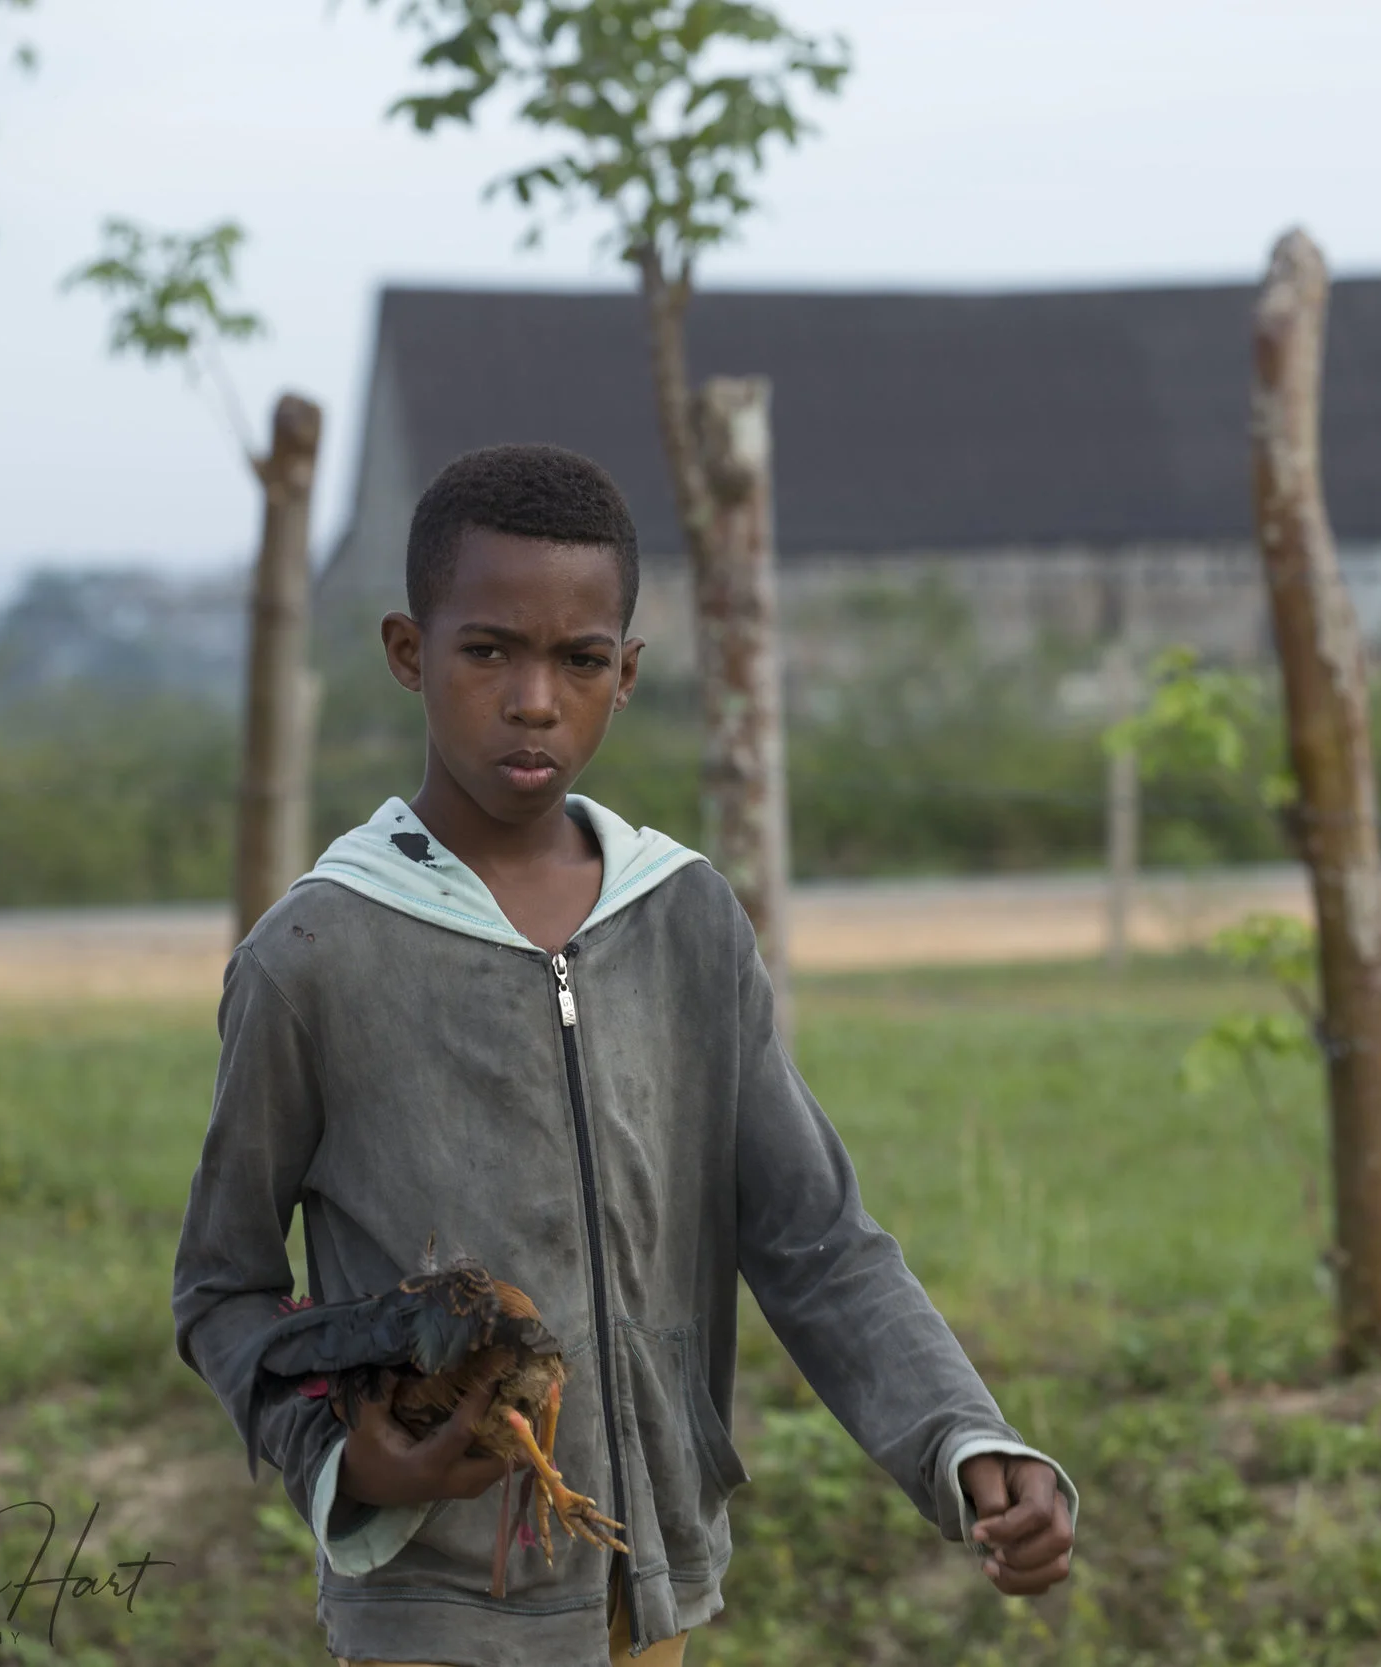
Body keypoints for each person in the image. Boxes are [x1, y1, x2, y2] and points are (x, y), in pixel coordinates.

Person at [173, 443, 1076, 1665]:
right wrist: (340, 1453)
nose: (534, 698)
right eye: (488, 650)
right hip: (435, 1615)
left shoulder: (684, 920)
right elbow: (222, 1286)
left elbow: (815, 1241)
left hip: (652, 1597)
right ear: (407, 652)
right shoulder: (314, 954)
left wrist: (967, 1441)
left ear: (628, 671)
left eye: (579, 659)